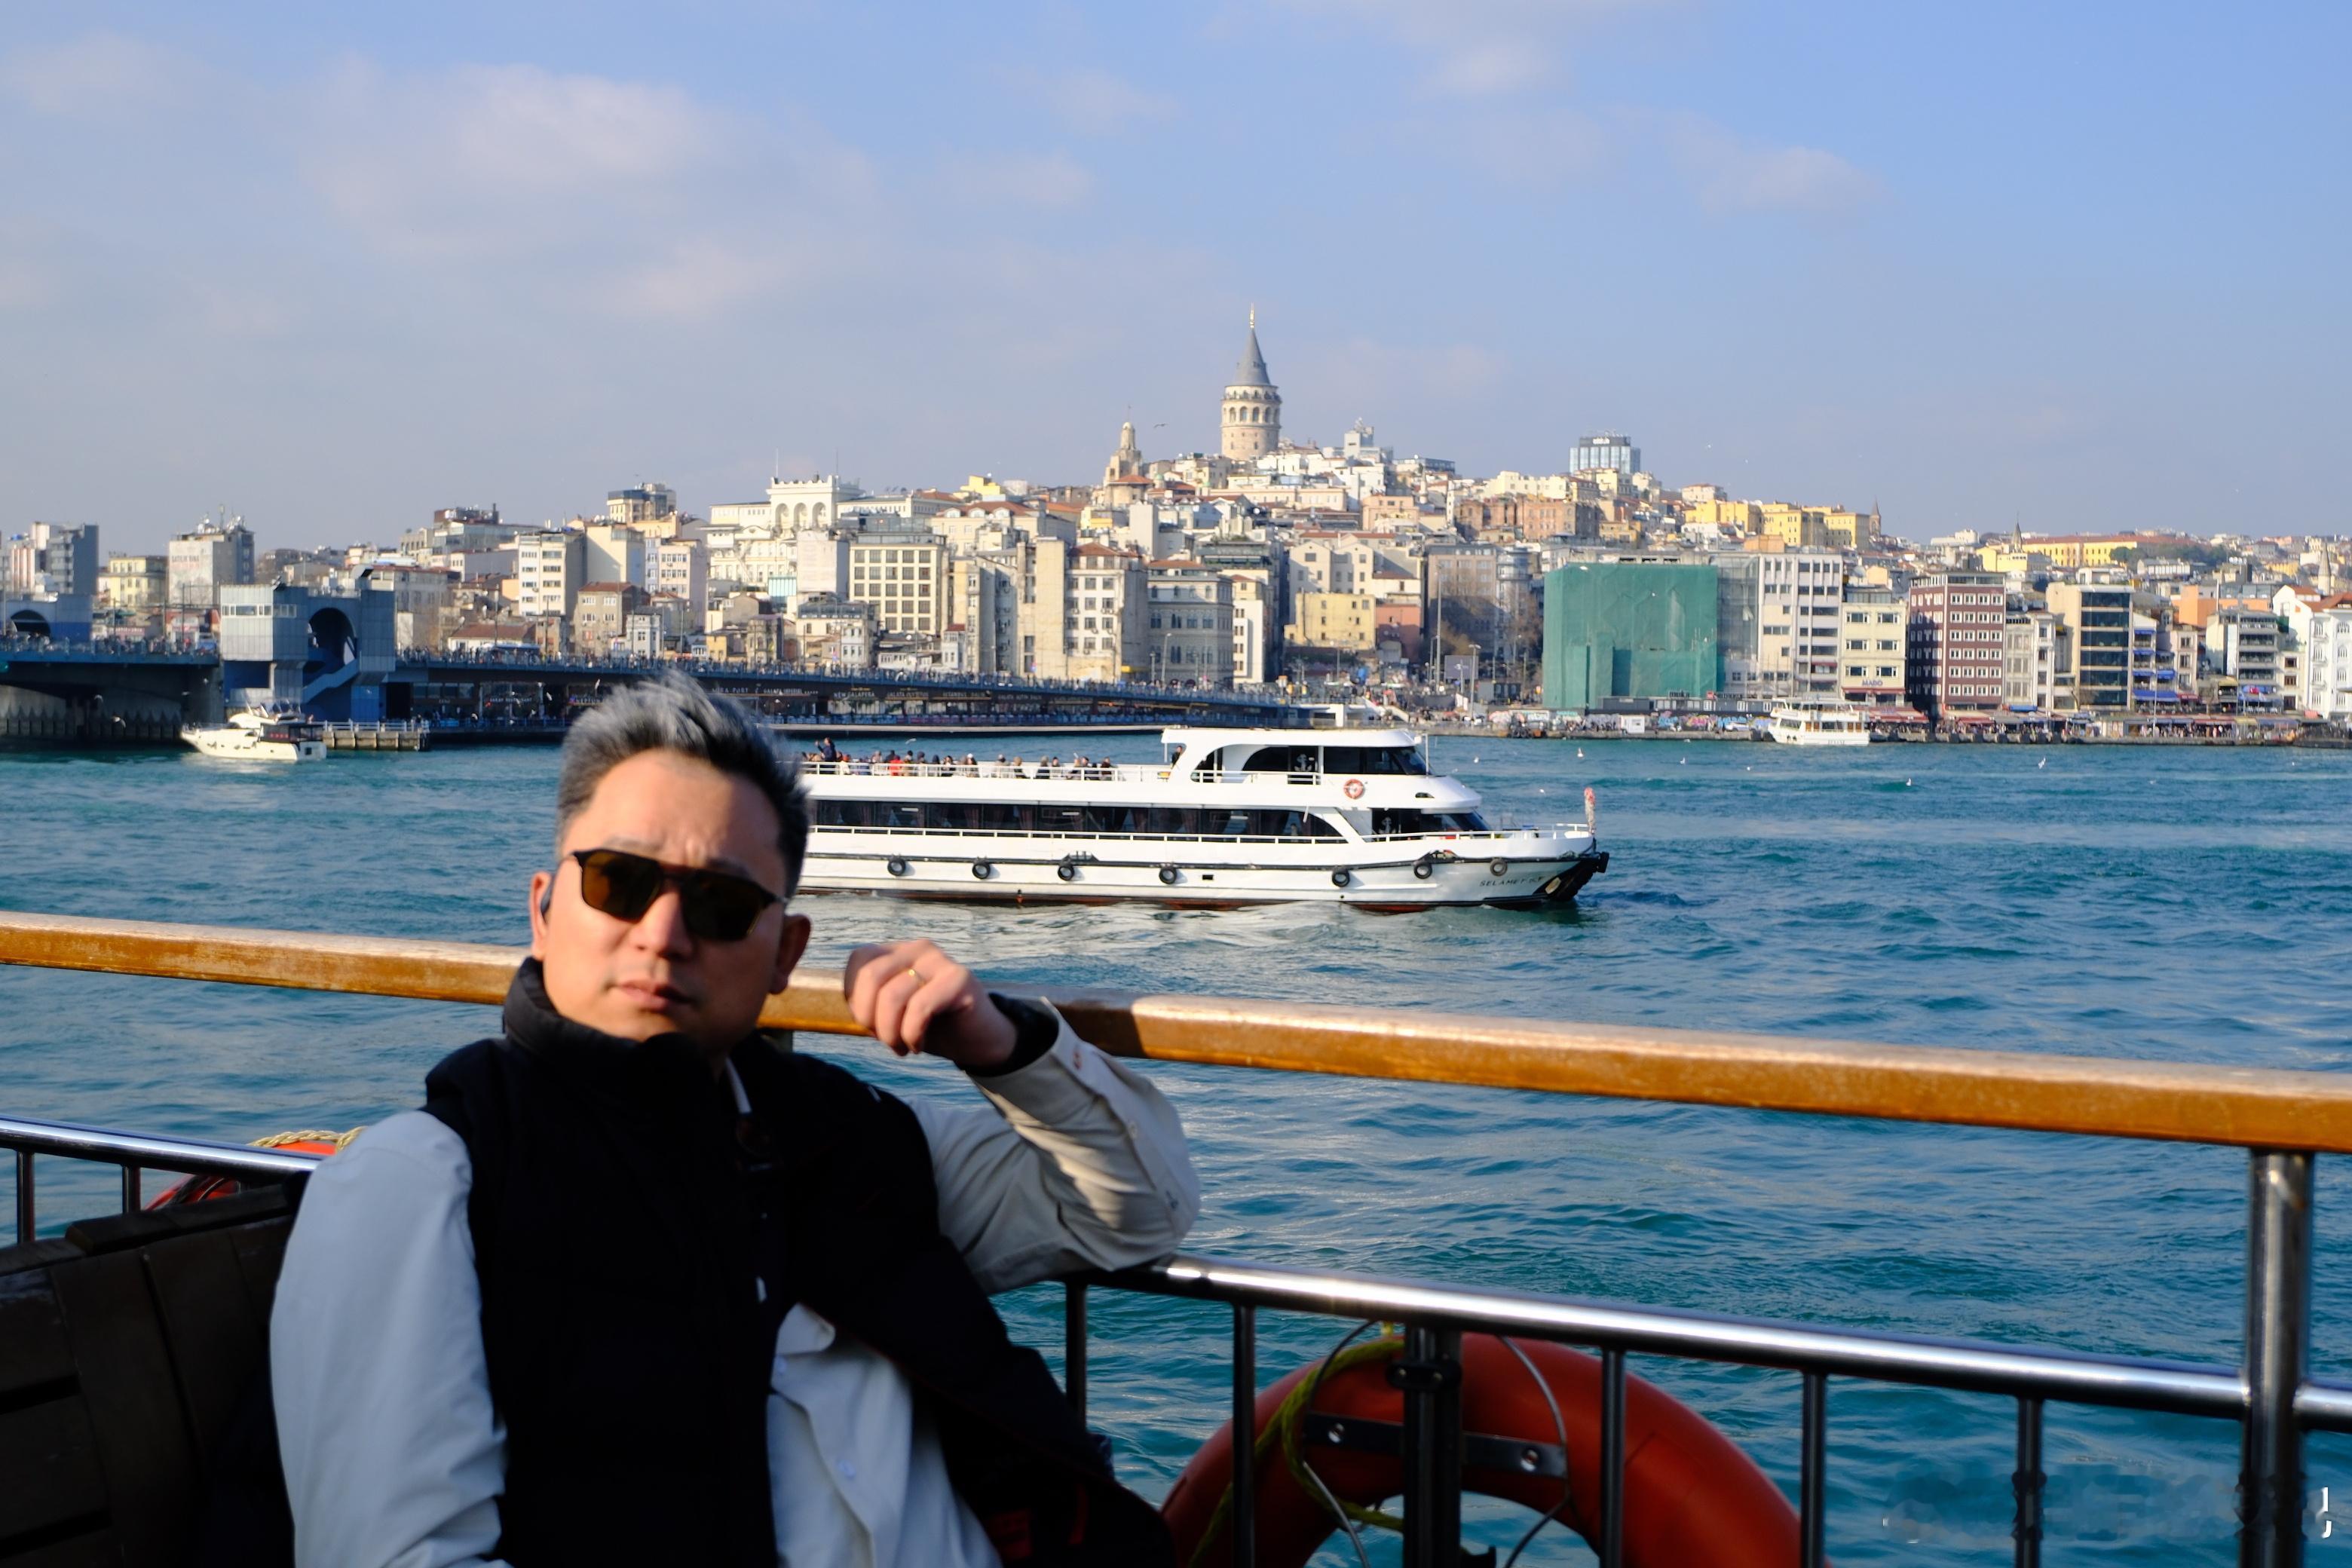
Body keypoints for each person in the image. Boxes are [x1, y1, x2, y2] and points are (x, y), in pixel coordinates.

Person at [270, 675, 1196, 1567]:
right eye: (620, 882)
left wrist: (1003, 1044)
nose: (664, 934)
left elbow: (1139, 1209)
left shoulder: (855, 1139)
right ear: (544, 911)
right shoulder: (428, 1183)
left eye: (721, 903)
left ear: (787, 953)